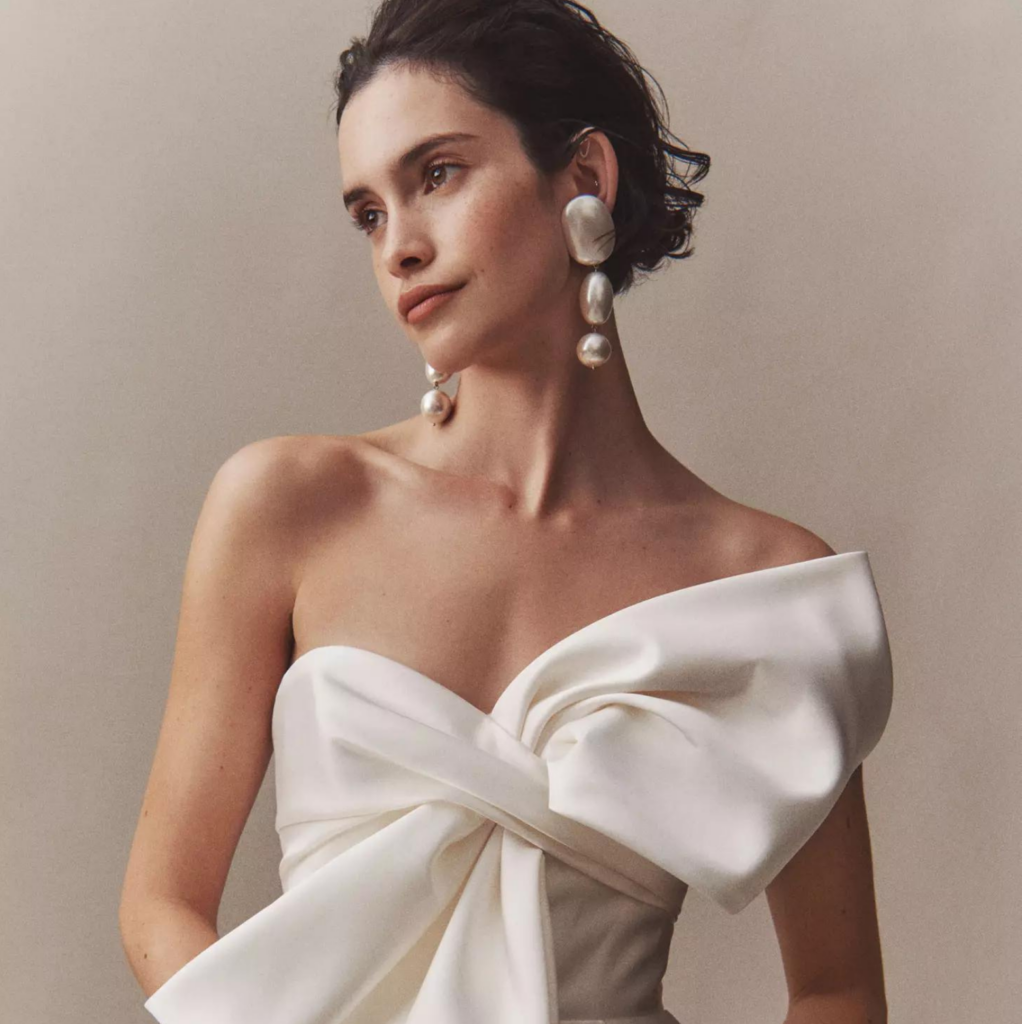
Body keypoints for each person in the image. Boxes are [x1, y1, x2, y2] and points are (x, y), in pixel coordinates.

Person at [119, 2, 893, 1022]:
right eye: (367, 212)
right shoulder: (289, 506)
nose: (397, 245)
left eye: (435, 174)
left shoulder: (762, 581)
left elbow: (837, 989)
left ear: (583, 178)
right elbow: (161, 902)